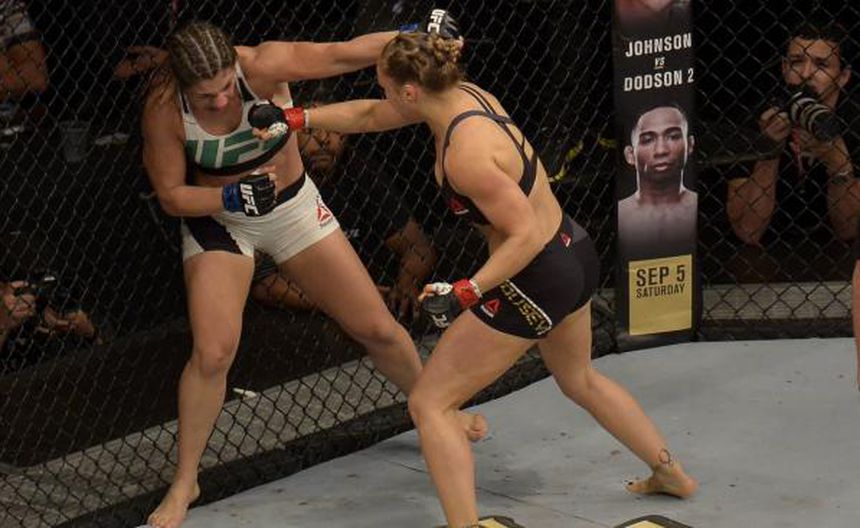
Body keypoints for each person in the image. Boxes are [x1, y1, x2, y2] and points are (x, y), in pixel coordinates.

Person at [252, 28, 698, 527]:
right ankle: (671, 473)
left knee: (431, 404)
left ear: (409, 91)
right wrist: (296, 119)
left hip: (535, 273)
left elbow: (524, 235)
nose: (381, 95)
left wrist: (469, 290)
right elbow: (371, 116)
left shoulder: (465, 153)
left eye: (384, 86)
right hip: (573, 250)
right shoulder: (463, 95)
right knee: (579, 380)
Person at [140, 17, 484, 528]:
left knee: (376, 327)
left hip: (292, 208)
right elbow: (171, 196)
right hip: (221, 221)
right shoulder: (165, 107)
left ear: (234, 66)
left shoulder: (264, 64)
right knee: (212, 353)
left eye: (224, 88)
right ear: (184, 84)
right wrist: (228, 196)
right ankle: (185, 480)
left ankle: (437, 410)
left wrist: (416, 35)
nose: (220, 101)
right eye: (206, 96)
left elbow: (343, 53)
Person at [251, 100, 437, 321]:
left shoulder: (358, 170)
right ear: (290, 137)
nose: (324, 139)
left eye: (333, 130)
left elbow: (417, 246)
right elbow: (265, 285)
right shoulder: (274, 182)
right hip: (305, 309)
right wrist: (345, 301)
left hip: (369, 292)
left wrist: (406, 285)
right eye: (310, 131)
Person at [727, 21, 858, 266]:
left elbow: (850, 230)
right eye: (797, 62)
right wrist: (769, 151)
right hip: (765, 256)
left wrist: (838, 162)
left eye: (821, 65)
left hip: (844, 257)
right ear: (784, 67)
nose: (806, 73)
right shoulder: (761, 119)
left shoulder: (854, 121)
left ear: (843, 76)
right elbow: (748, 231)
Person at [617, 103, 697, 259]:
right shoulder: (620, 214)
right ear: (630, 155)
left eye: (673, 136)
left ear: (690, 145)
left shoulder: (699, 207)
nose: (661, 150)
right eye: (648, 140)